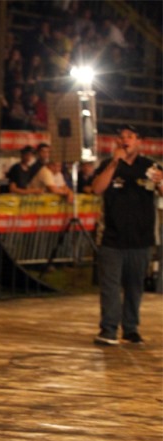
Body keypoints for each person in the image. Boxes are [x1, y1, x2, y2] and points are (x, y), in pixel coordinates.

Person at [90, 125, 163, 346]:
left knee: (134, 286)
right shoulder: (108, 165)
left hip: (141, 239)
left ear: (139, 141)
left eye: (130, 136)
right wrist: (114, 163)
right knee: (110, 287)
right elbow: (97, 188)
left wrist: (161, 182)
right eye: (121, 137)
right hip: (112, 238)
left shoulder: (150, 166)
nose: (125, 140)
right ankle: (109, 329)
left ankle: (130, 328)